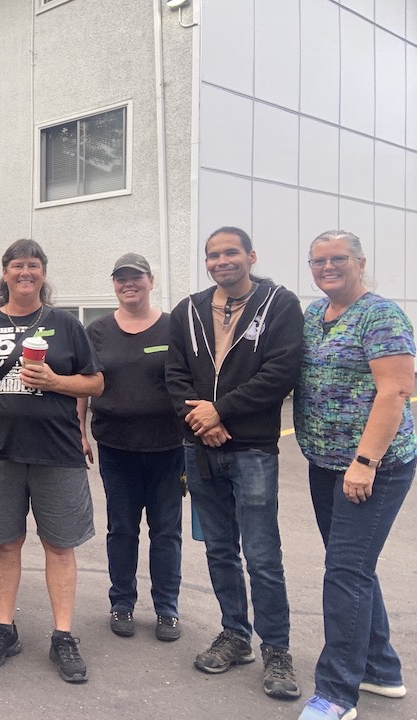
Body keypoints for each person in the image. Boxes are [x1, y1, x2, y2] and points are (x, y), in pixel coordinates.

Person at [165, 226, 304, 700]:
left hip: (253, 450)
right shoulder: (188, 309)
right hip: (201, 447)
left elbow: (280, 372)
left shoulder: (280, 304)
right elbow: (175, 373)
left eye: (230, 252)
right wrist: (203, 421)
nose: (221, 261)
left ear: (250, 255)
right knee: (220, 549)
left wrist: (221, 411)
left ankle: (277, 651)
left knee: (264, 557)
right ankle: (235, 636)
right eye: (213, 255)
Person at [0, 239, 102, 683]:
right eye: (17, 265)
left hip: (57, 453)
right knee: (4, 544)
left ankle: (62, 635)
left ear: (43, 272)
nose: (26, 272)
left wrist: (56, 380)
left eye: (33, 265)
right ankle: (5, 627)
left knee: (59, 545)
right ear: (4, 273)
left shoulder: (65, 324)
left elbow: (94, 383)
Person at [293, 231, 415, 720]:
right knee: (354, 569)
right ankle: (381, 670)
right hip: (325, 464)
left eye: (337, 259)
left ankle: (336, 694)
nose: (327, 267)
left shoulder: (381, 315)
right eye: (318, 261)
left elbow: (395, 391)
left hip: (372, 469)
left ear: (360, 262)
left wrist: (364, 463)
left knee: (345, 573)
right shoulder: (313, 316)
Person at [78, 253, 184, 642]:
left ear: (150, 281)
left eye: (136, 277)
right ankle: (121, 603)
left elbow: (189, 381)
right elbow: (86, 384)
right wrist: (80, 432)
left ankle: (167, 609)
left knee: (166, 531)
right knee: (121, 528)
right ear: (115, 285)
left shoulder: (175, 328)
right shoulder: (99, 330)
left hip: (167, 448)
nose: (129, 284)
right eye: (121, 278)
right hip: (117, 447)